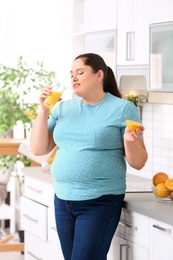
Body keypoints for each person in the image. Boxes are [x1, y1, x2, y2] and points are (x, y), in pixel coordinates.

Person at [30, 53, 148, 260]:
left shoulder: (122, 109)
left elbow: (138, 163)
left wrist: (130, 140)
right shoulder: (64, 108)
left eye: (80, 72)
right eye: (71, 74)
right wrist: (43, 109)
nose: (74, 78)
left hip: (100, 200)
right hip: (63, 199)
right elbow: (38, 148)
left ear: (99, 75)